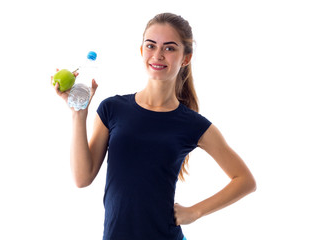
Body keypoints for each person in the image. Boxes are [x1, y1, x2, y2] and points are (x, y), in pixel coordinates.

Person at [52, 12, 256, 240]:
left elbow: (245, 181)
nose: (158, 55)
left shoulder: (193, 124)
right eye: (151, 46)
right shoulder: (112, 109)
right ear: (141, 51)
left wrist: (195, 212)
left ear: (185, 58)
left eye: (169, 48)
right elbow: (82, 178)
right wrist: (78, 114)